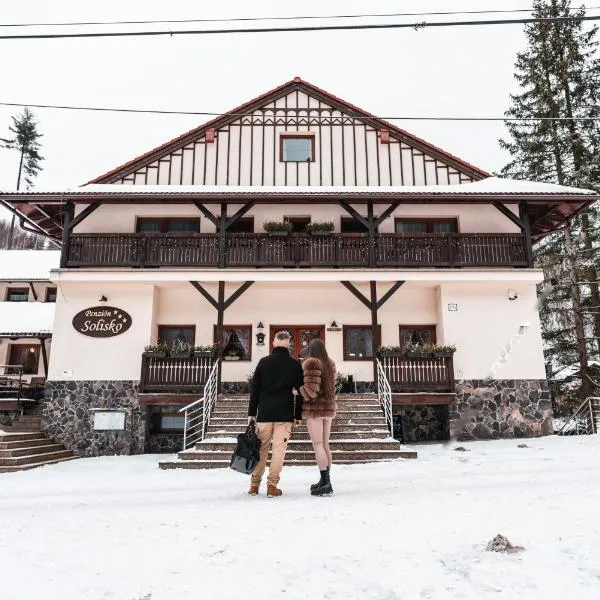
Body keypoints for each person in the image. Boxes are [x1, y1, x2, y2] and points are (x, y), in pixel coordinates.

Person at [248, 330, 304, 498]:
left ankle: (254, 485)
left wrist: (252, 413)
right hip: (284, 414)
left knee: (260, 450)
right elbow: (300, 392)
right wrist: (298, 415)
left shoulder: (263, 362)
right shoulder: (294, 364)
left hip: (264, 413)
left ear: (273, 342)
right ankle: (272, 486)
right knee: (279, 450)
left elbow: (255, 390)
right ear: (288, 343)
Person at [300, 338, 337, 496]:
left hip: (315, 409)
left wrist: (298, 391)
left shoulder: (312, 362)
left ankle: (325, 481)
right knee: (325, 445)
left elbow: (311, 389)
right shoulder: (330, 363)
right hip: (328, 408)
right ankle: (325, 480)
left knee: (318, 444)